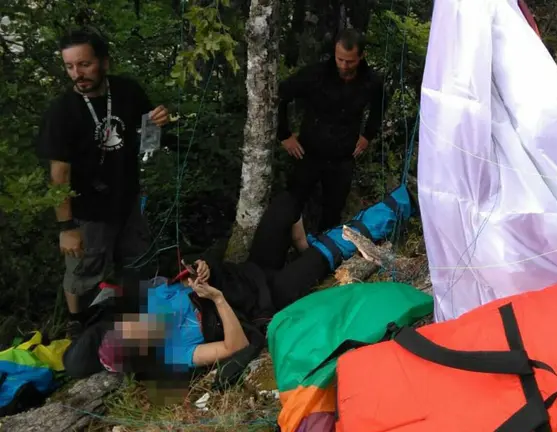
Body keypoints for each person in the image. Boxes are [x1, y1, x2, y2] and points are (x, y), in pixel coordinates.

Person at [61, 191, 331, 382]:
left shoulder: (149, 303)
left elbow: (180, 274)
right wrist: (218, 300)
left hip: (247, 273)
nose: (137, 324)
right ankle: (315, 253)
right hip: (266, 299)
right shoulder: (176, 354)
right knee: (329, 251)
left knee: (286, 203)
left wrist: (198, 269)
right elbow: (234, 346)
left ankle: (302, 249)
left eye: (128, 325)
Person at [36, 28, 170, 335]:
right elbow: (59, 176)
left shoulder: (127, 91)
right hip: (87, 211)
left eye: (84, 64)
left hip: (127, 200)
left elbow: (148, 139)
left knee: (136, 262)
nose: (77, 74)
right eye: (70, 66)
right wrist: (66, 228)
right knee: (83, 271)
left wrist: (158, 122)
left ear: (104, 62)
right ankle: (79, 327)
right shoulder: (62, 112)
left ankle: (131, 319)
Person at [277, 28, 387, 233]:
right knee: (292, 204)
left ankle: (323, 256)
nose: (344, 65)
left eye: (350, 61)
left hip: (343, 156)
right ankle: (283, 251)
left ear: (361, 57)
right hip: (308, 152)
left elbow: (379, 108)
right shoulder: (316, 74)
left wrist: (367, 136)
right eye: (340, 59)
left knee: (333, 211)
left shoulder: (371, 81)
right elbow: (281, 95)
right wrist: (284, 135)